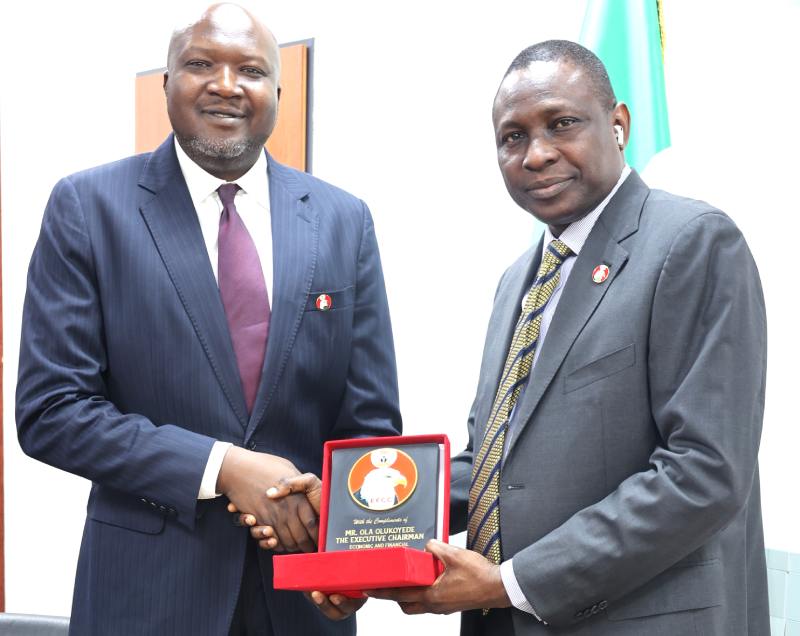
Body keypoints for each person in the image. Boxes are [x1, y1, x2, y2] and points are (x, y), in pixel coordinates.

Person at [262, 40, 769, 634]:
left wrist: (510, 583)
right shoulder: (516, 283)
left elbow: (703, 472)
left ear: (619, 124)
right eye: (513, 137)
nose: (536, 154)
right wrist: (356, 512)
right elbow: (495, 465)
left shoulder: (692, 243)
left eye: (562, 124)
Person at [15, 4, 400, 635]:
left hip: (304, 598)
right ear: (166, 83)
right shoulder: (88, 207)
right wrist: (223, 467)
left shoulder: (342, 219)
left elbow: (369, 423)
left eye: (249, 69)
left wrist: (354, 550)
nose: (226, 84)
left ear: (276, 92)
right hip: (147, 596)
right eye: (200, 64)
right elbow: (52, 411)